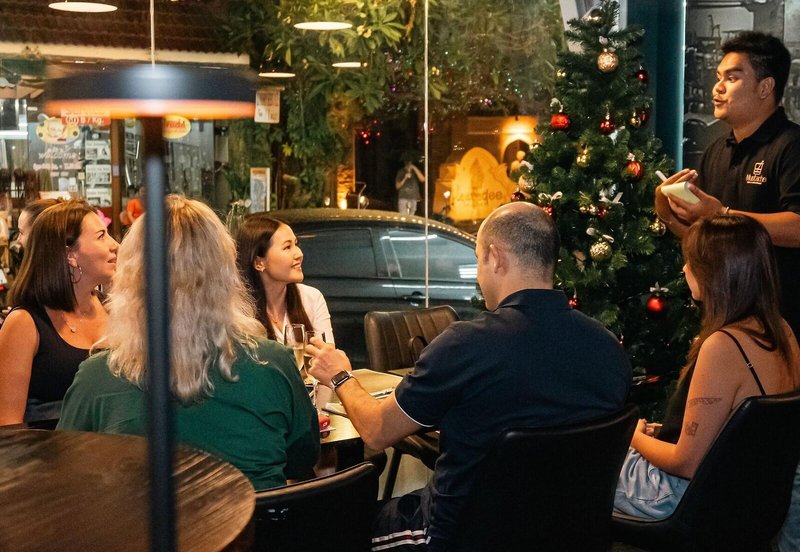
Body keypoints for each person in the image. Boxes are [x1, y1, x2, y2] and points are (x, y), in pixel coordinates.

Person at [306, 202, 631, 550]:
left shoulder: (465, 345)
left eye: (478, 259)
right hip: (568, 534)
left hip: (454, 535)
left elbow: (376, 431)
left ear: (495, 257)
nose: (478, 274)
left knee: (332, 529)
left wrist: (340, 375)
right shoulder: (608, 348)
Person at [57, 196, 319, 491]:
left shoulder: (96, 379)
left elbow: (66, 479)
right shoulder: (274, 363)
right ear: (226, 274)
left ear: (131, 279)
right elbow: (303, 459)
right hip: (256, 520)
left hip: (141, 521)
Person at [614, 214, 800, 519]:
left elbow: (686, 463)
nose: (684, 269)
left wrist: (631, 435)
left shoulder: (723, 345)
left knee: (583, 462)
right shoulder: (784, 331)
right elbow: (733, 433)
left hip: (689, 496)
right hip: (750, 491)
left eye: (691, 262)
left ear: (715, 273)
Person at [655, 32, 800, 341]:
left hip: (782, 320)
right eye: (718, 77)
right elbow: (705, 239)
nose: (717, 88)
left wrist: (721, 213)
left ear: (765, 87)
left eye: (732, 78)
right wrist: (668, 213)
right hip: (723, 318)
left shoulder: (791, 146)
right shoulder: (716, 150)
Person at [0, 200, 118, 425]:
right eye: (101, 236)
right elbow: (7, 425)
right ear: (70, 255)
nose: (114, 245)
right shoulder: (24, 323)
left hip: (113, 445)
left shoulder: (114, 309)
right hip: (48, 446)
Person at [236, 213, 334, 346]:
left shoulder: (311, 298)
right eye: (287, 247)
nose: (299, 254)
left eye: (296, 244)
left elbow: (328, 356)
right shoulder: (239, 310)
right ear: (259, 263)